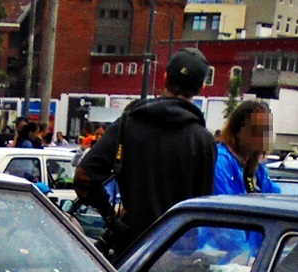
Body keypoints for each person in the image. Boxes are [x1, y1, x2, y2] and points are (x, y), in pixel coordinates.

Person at [74, 50, 219, 260]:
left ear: (165, 78)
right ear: (201, 87)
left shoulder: (127, 124)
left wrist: (111, 218)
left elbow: (83, 177)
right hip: (177, 256)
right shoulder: (203, 140)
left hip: (131, 252)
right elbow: (204, 208)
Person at [215, 100, 279, 195]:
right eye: (256, 129)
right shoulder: (220, 161)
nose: (262, 135)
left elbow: (274, 195)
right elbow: (221, 200)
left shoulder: (255, 169)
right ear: (237, 131)